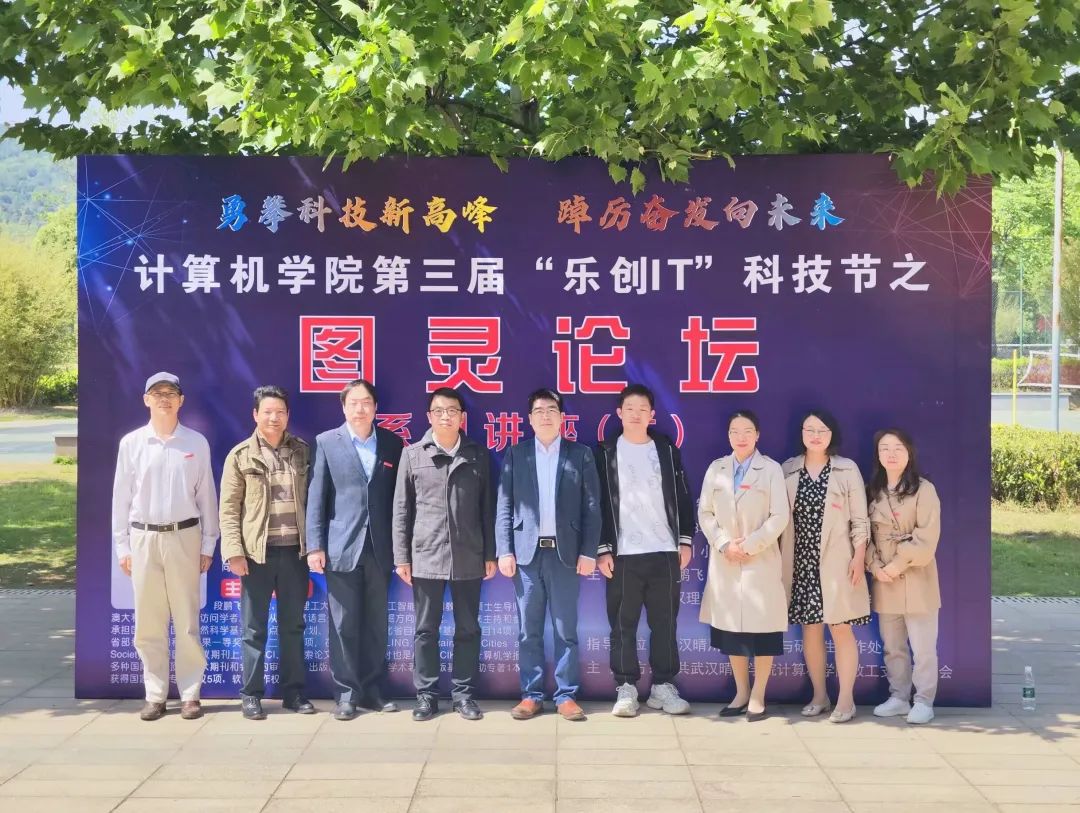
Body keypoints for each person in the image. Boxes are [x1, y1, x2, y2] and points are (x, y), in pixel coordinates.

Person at [111, 372, 218, 721]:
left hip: (184, 537)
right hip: (143, 538)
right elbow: (121, 499)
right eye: (157, 394)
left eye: (171, 393)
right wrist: (122, 547)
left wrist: (208, 543)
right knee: (149, 621)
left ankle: (190, 694)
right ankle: (155, 695)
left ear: (181, 400)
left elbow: (207, 496)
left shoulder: (196, 442)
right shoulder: (132, 443)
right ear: (146, 400)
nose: (164, 399)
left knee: (186, 620)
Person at [495, 388, 601, 722]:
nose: (545, 415)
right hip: (526, 557)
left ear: (562, 417)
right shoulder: (517, 454)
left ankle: (566, 695)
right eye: (539, 410)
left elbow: (592, 507)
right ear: (529, 419)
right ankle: (531, 694)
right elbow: (504, 505)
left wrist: (589, 551)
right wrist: (504, 550)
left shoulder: (580, 454)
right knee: (529, 630)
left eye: (551, 410)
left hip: (565, 555)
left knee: (565, 630)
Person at [393, 387, 496, 721]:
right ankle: (426, 695)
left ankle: (463, 695)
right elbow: (401, 510)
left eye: (452, 411)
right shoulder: (413, 455)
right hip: (426, 555)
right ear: (429, 417)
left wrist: (490, 553)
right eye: (439, 411)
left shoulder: (477, 454)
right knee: (426, 630)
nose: (446, 417)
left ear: (462, 417)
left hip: (469, 554)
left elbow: (487, 509)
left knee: (468, 628)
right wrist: (402, 557)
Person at [307, 378, 404, 721]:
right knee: (343, 624)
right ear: (343, 407)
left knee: (377, 623)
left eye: (366, 403)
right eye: (354, 403)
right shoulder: (326, 442)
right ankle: (347, 694)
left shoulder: (393, 443)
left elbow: (399, 500)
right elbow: (316, 498)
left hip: (380, 548)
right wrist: (314, 546)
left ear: (376, 408)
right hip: (341, 547)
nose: (360, 409)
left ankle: (374, 691)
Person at [595, 383, 694, 718]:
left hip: (664, 550)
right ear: (619, 413)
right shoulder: (605, 452)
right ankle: (626, 687)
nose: (636, 415)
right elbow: (597, 504)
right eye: (630, 409)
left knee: (665, 623)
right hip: (623, 554)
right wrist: (602, 549)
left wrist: (684, 540)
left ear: (652, 415)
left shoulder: (665, 448)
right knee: (622, 623)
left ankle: (663, 686)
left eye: (643, 410)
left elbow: (683, 495)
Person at [219, 385, 314, 719]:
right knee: (253, 628)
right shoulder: (240, 456)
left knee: (293, 626)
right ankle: (251, 694)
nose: (274, 418)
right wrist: (234, 551)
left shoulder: (302, 451)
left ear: (288, 415)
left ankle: (294, 693)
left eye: (280, 412)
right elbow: (229, 509)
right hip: (256, 556)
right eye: (268, 412)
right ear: (255, 415)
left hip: (295, 554)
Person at [698, 409, 789, 722]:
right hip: (726, 560)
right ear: (728, 436)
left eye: (747, 431)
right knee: (731, 633)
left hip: (759, 561)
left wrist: (749, 545)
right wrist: (725, 544)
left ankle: (758, 694)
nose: (741, 437)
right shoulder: (716, 468)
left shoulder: (771, 469)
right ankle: (740, 692)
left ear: (757, 435)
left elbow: (780, 516)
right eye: (735, 431)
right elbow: (705, 513)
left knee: (763, 633)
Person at [780, 409, 871, 724]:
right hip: (801, 561)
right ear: (801, 433)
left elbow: (860, 519)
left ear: (832, 434)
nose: (815, 435)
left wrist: (859, 556)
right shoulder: (788, 469)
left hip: (838, 561)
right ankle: (820, 695)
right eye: (810, 429)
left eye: (822, 430)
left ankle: (846, 699)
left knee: (840, 627)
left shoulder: (846, 469)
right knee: (811, 628)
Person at [866, 428, 942, 725]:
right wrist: (874, 566)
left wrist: (896, 565)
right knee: (893, 646)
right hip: (884, 579)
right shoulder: (872, 490)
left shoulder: (924, 489)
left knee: (923, 648)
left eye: (898, 448)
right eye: (884, 448)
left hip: (917, 576)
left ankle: (924, 701)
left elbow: (927, 537)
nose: (891, 454)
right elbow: (863, 533)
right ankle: (898, 697)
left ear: (909, 453)